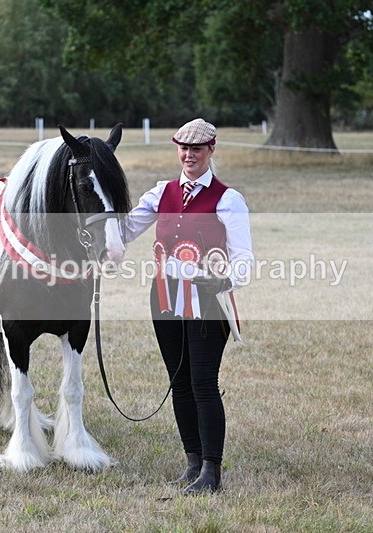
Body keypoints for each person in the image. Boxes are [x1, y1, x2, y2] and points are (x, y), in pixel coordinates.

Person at [123, 118, 254, 494]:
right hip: (163, 298)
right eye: (183, 148)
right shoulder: (160, 192)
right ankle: (192, 462)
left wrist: (225, 280)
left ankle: (212, 471)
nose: (189, 155)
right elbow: (126, 228)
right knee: (179, 383)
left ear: (211, 150)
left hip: (207, 299)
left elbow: (244, 257)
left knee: (202, 382)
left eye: (196, 149)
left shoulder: (228, 199)